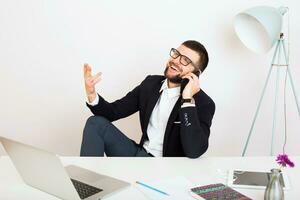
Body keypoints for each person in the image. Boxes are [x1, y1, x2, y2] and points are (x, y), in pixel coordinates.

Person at [80, 40, 215, 158]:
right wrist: (91, 93)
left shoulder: (204, 103)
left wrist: (187, 101)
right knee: (95, 123)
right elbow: (113, 112)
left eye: (185, 60)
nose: (176, 60)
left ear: (196, 73)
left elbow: (195, 150)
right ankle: (87, 183)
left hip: (169, 168)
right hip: (140, 155)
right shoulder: (150, 84)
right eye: (176, 54)